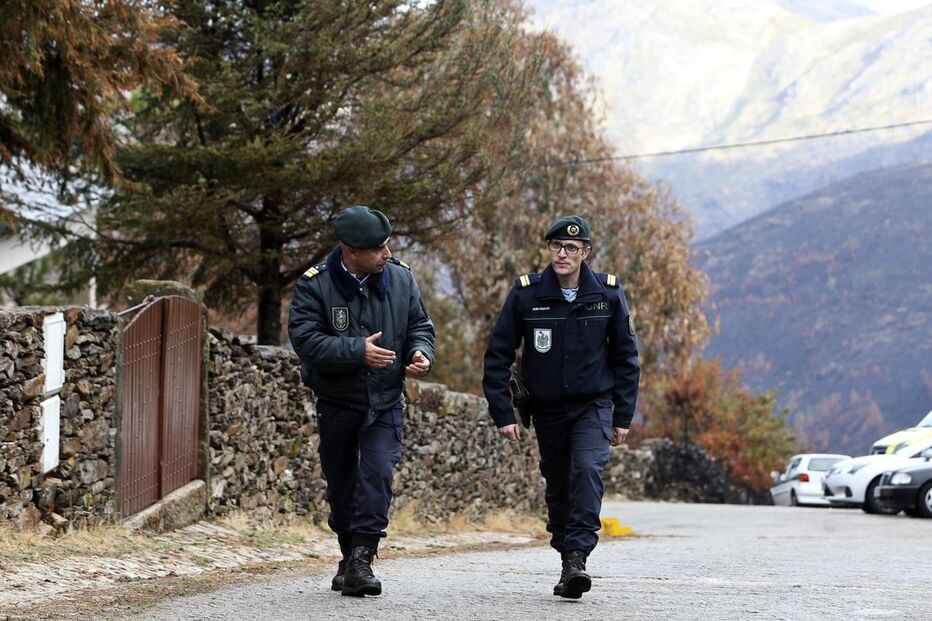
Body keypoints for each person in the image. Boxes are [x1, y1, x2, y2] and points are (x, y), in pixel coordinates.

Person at [482, 214, 640, 599]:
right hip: (548, 409)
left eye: (572, 248)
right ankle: (565, 552)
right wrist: (503, 413)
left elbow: (626, 359)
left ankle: (577, 559)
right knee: (558, 486)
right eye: (557, 246)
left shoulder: (607, 293)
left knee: (586, 470)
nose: (563, 254)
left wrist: (623, 417)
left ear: (586, 252)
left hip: (594, 405)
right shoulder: (526, 294)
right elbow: (497, 356)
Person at [288, 205, 434, 597]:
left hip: (385, 401)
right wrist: (356, 351)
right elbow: (304, 339)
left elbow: (420, 325)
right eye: (378, 249)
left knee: (377, 476)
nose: (387, 254)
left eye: (388, 246)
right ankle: (348, 551)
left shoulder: (401, 278)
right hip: (337, 401)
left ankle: (362, 559)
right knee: (341, 485)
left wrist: (420, 353)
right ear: (351, 250)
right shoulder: (314, 285)